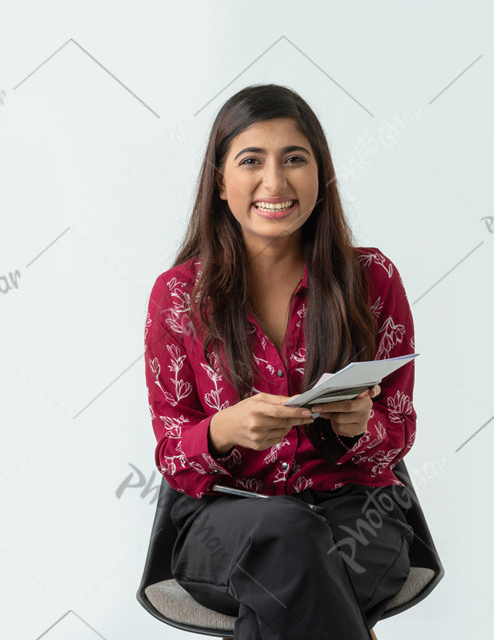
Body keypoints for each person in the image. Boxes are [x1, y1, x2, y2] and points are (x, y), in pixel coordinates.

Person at [143, 84, 417, 639]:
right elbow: (172, 451)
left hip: (358, 514)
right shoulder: (178, 296)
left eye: (295, 159)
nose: (275, 182)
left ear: (321, 173)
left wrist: (363, 428)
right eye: (251, 161)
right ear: (221, 182)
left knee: (291, 572)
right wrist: (221, 430)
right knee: (290, 541)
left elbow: (402, 430)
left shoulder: (372, 280)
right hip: (225, 522)